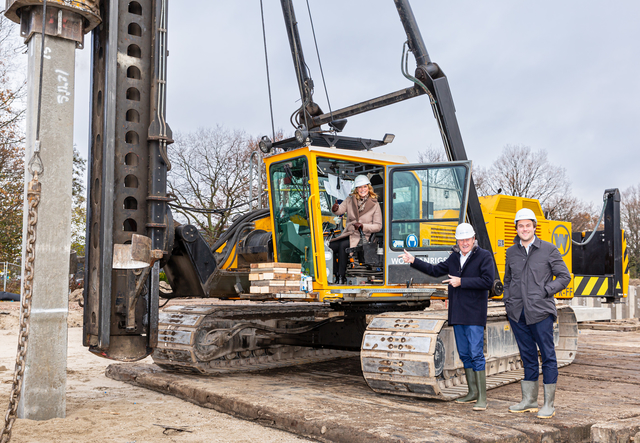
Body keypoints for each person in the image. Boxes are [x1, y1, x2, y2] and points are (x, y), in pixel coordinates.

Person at [401, 223, 494, 410]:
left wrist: (462, 282)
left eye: (468, 239)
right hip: (458, 313)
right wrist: (413, 260)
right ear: (457, 241)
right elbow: (435, 270)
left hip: (474, 313)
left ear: (473, 239)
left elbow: (488, 281)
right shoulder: (454, 257)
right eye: (461, 240)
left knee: (476, 353)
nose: (465, 243)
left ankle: (482, 398)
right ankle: (472, 392)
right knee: (465, 354)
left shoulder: (484, 256)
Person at [504, 208, 570, 419]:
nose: (524, 229)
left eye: (528, 225)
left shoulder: (549, 250)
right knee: (527, 356)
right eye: (520, 226)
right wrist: (508, 301)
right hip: (517, 313)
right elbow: (508, 280)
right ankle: (529, 401)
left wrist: (545, 291)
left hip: (540, 312)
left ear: (534, 227)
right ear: (517, 228)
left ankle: (548, 404)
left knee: (548, 356)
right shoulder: (511, 252)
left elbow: (564, 276)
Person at [330, 175, 382, 284]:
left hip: (363, 236)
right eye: (360, 187)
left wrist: (363, 226)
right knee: (329, 247)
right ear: (356, 189)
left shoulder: (375, 204)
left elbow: (378, 226)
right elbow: (340, 210)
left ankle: (341, 277)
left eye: (364, 187)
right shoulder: (349, 200)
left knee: (343, 246)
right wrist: (335, 209)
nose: (362, 189)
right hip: (349, 233)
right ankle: (334, 274)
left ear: (368, 188)